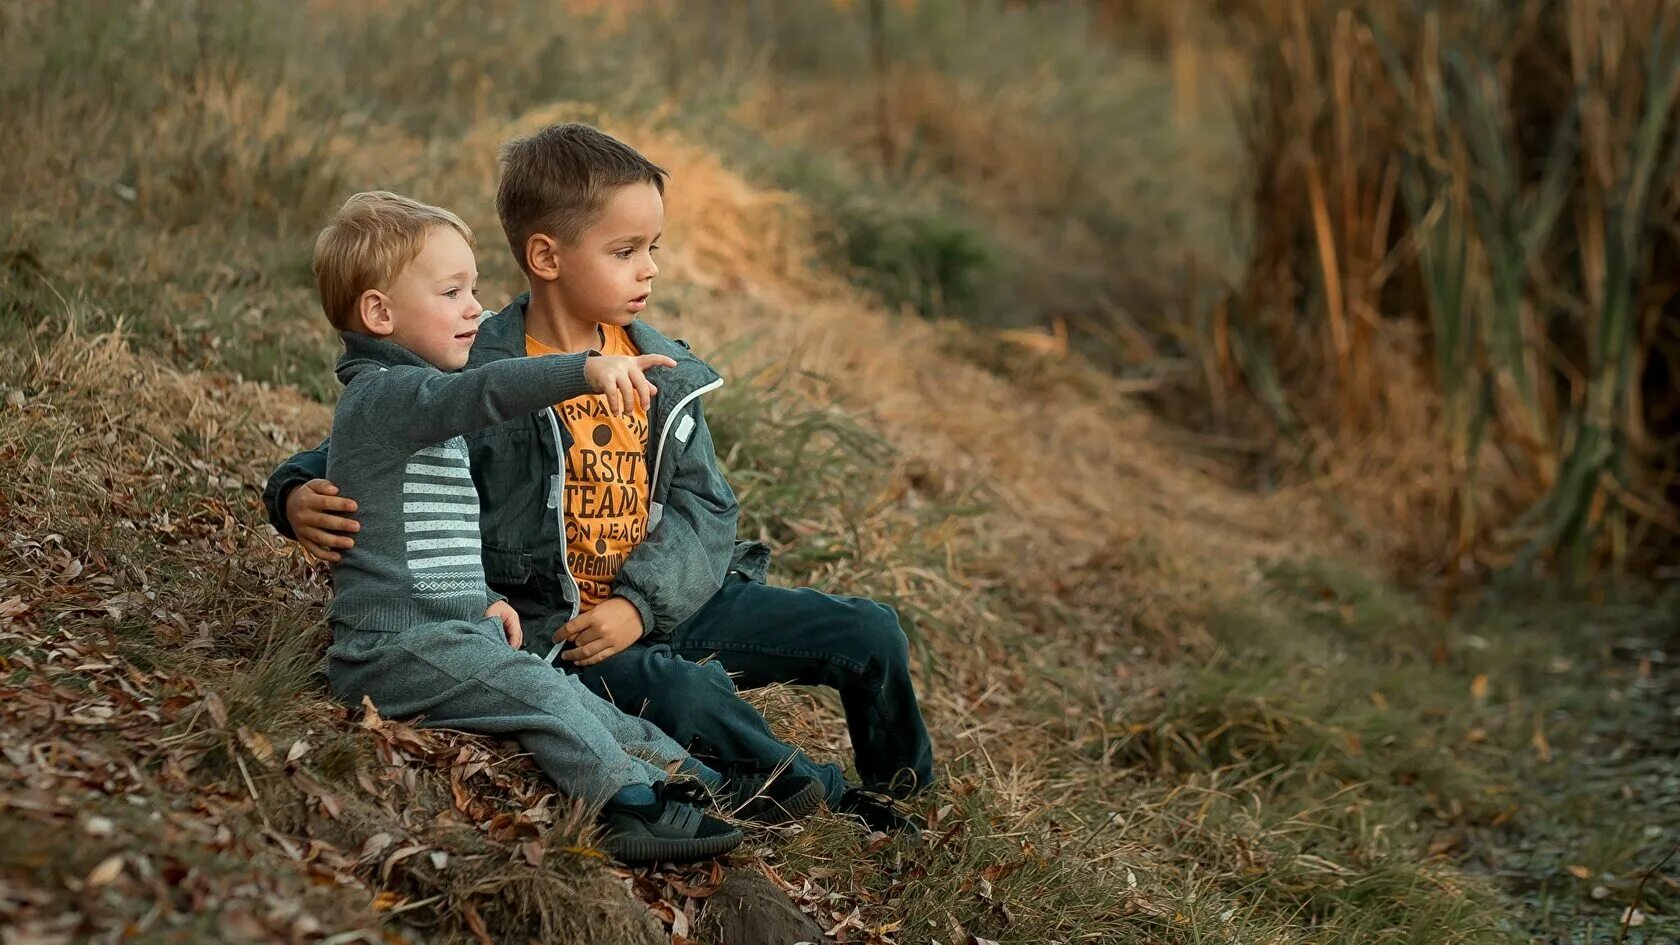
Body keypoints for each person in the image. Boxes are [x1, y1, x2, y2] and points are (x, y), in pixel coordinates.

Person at [264, 125, 932, 830]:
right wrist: (294, 493)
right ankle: (826, 798)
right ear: (547, 256)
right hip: (570, 630)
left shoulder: (661, 368)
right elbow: (368, 437)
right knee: (688, 693)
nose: (649, 270)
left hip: (669, 598)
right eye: (625, 251)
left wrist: (642, 605)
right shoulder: (472, 363)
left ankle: (906, 784)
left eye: (653, 249)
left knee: (869, 631)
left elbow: (706, 506)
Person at [300, 190, 796, 864]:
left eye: (474, 287)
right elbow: (485, 390)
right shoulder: (385, 395)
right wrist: (583, 371)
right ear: (379, 313)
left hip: (447, 629)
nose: (476, 306)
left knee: (572, 697)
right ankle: (624, 807)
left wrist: (482, 599)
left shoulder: (420, 407)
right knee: (536, 692)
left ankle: (690, 783)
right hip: (389, 648)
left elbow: (414, 539)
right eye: (452, 292)